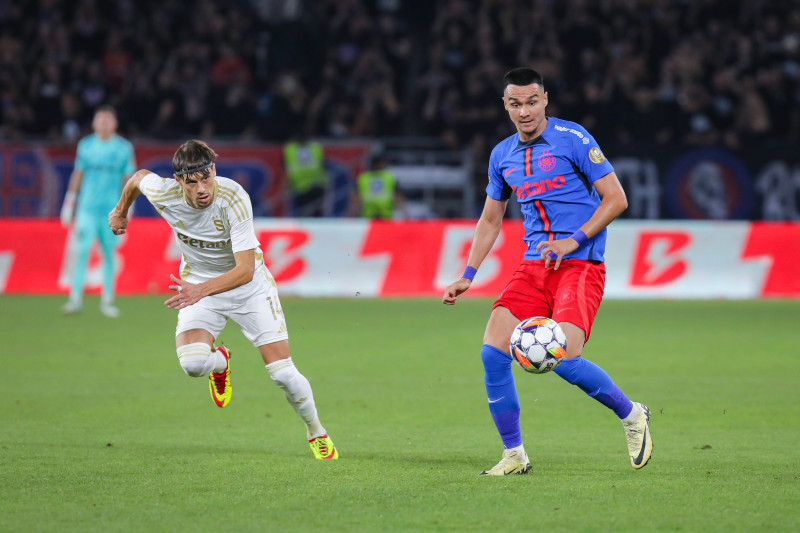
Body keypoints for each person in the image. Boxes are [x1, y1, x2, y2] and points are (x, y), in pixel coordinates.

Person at [442, 68, 652, 475]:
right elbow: (490, 220)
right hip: (534, 266)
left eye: (532, 101)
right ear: (505, 105)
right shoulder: (501, 155)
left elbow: (616, 199)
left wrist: (573, 240)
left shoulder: (572, 138)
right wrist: (469, 272)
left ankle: (632, 415)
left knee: (567, 359)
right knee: (492, 351)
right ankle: (514, 454)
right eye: (515, 103)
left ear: (545, 100)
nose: (525, 111)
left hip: (579, 264)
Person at [108, 140, 338, 460]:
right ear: (178, 182)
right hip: (200, 285)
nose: (203, 188)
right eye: (193, 182)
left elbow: (244, 270)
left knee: (282, 373)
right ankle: (221, 361)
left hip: (249, 290)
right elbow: (136, 178)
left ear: (214, 170)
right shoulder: (164, 193)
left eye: (207, 177)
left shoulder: (233, 198)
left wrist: (199, 291)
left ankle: (317, 432)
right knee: (192, 365)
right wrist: (121, 212)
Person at [61, 105, 136, 318]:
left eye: (107, 120)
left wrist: (127, 207)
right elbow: (78, 173)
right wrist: (69, 202)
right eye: (100, 119)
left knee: (109, 253)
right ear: (94, 123)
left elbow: (128, 179)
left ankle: (107, 300)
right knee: (82, 250)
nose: (103, 123)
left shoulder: (123, 148)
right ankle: (75, 299)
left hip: (111, 209)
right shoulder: (85, 145)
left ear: (114, 123)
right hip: (87, 207)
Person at [283, 135, 328, 217]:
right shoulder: (315, 148)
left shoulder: (290, 150)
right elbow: (323, 165)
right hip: (317, 185)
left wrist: (285, 187)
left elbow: (288, 170)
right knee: (316, 214)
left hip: (301, 186)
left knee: (304, 215)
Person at [353, 154, 397, 219]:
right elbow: (356, 198)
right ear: (380, 164)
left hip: (379, 216)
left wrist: (353, 215)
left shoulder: (363, 178)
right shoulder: (389, 177)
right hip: (375, 216)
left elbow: (356, 199)